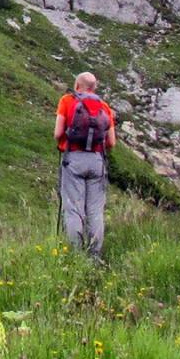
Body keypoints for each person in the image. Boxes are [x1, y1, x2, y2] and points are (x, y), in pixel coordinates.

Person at [54, 72, 116, 261]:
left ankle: (76, 255)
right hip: (97, 162)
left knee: (73, 209)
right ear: (94, 88)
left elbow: (57, 133)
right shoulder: (104, 107)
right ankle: (94, 256)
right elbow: (111, 142)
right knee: (95, 211)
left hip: (73, 159)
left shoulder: (67, 101)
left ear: (77, 85)